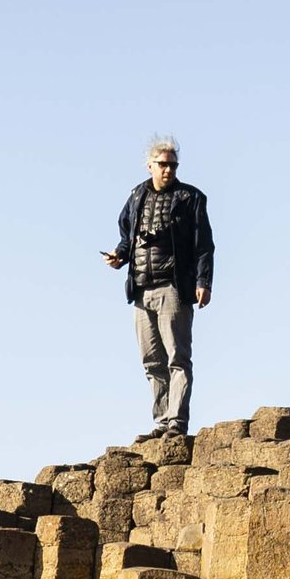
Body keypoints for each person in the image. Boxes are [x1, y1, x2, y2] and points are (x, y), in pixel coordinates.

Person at [101, 138, 213, 438]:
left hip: (173, 288)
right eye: (163, 164)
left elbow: (204, 245)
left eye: (173, 165)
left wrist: (203, 282)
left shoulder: (190, 198)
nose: (168, 170)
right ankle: (161, 421)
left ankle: (176, 422)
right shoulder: (136, 196)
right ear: (150, 165)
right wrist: (119, 256)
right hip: (141, 289)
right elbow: (128, 236)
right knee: (151, 360)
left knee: (178, 357)